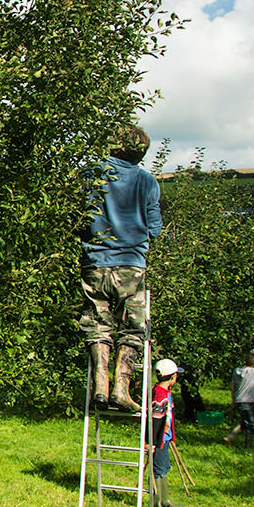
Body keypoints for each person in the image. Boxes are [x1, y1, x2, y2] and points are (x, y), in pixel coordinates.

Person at [79, 125, 162, 412]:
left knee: (97, 327)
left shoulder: (92, 174)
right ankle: (120, 389)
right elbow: (155, 229)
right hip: (131, 265)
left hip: (95, 263)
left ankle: (100, 386)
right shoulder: (147, 181)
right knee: (133, 328)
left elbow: (79, 216)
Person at [149, 358, 185, 507]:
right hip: (159, 440)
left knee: (164, 467)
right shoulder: (159, 394)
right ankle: (156, 503)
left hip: (165, 438)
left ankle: (165, 499)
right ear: (172, 378)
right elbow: (156, 421)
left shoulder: (165, 392)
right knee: (158, 469)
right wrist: (151, 442)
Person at [224, 348, 254, 447]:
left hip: (238, 400)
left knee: (244, 422)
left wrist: (233, 400)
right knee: (251, 424)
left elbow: (232, 387)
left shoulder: (236, 371)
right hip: (248, 402)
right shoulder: (252, 371)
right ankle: (248, 446)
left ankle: (230, 436)